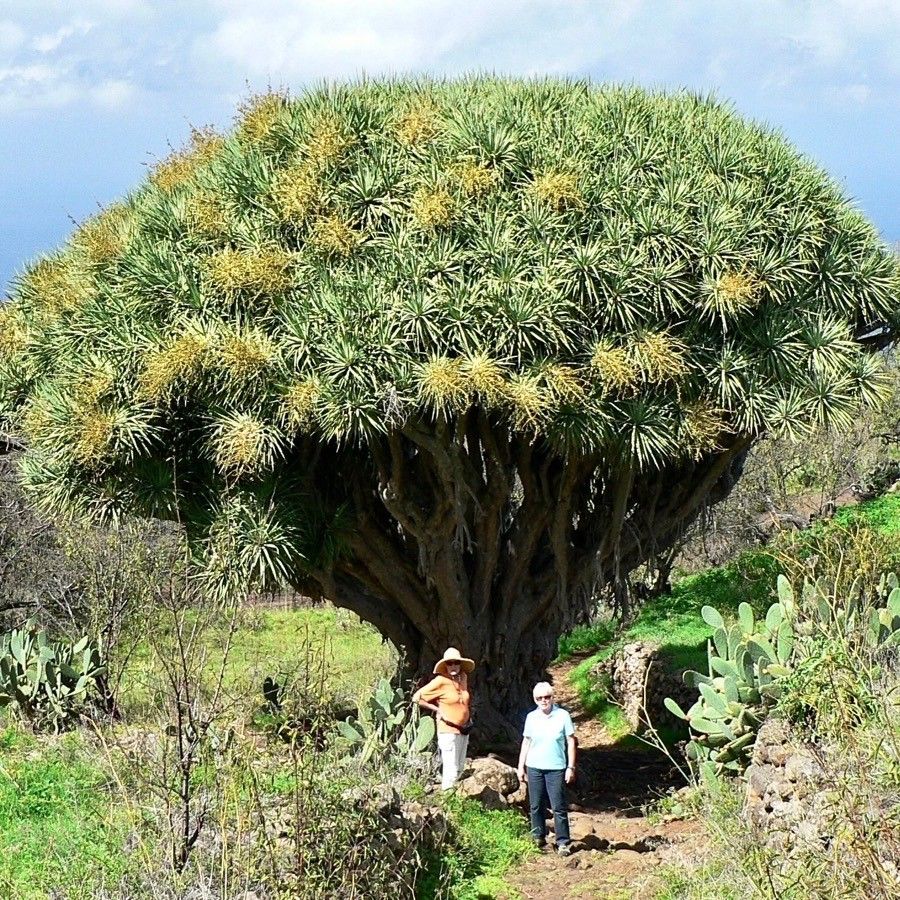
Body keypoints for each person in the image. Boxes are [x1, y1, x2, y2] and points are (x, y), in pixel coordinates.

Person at [517, 681, 576, 856]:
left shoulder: (563, 716)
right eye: (539, 698)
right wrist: (521, 766)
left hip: (556, 767)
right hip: (534, 766)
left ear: (552, 697)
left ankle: (563, 842)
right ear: (535, 699)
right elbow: (526, 742)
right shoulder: (531, 717)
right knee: (536, 804)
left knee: (558, 806)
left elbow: (571, 741)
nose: (544, 701)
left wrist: (570, 767)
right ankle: (538, 836)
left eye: (547, 697)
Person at [412, 647, 474, 790]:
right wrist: (437, 709)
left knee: (459, 767)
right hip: (448, 729)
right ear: (445, 665)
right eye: (449, 663)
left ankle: (455, 800)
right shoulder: (440, 680)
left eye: (456, 662)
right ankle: (448, 799)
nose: (453, 666)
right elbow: (417, 698)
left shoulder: (463, 677)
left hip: (464, 729)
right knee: (451, 769)